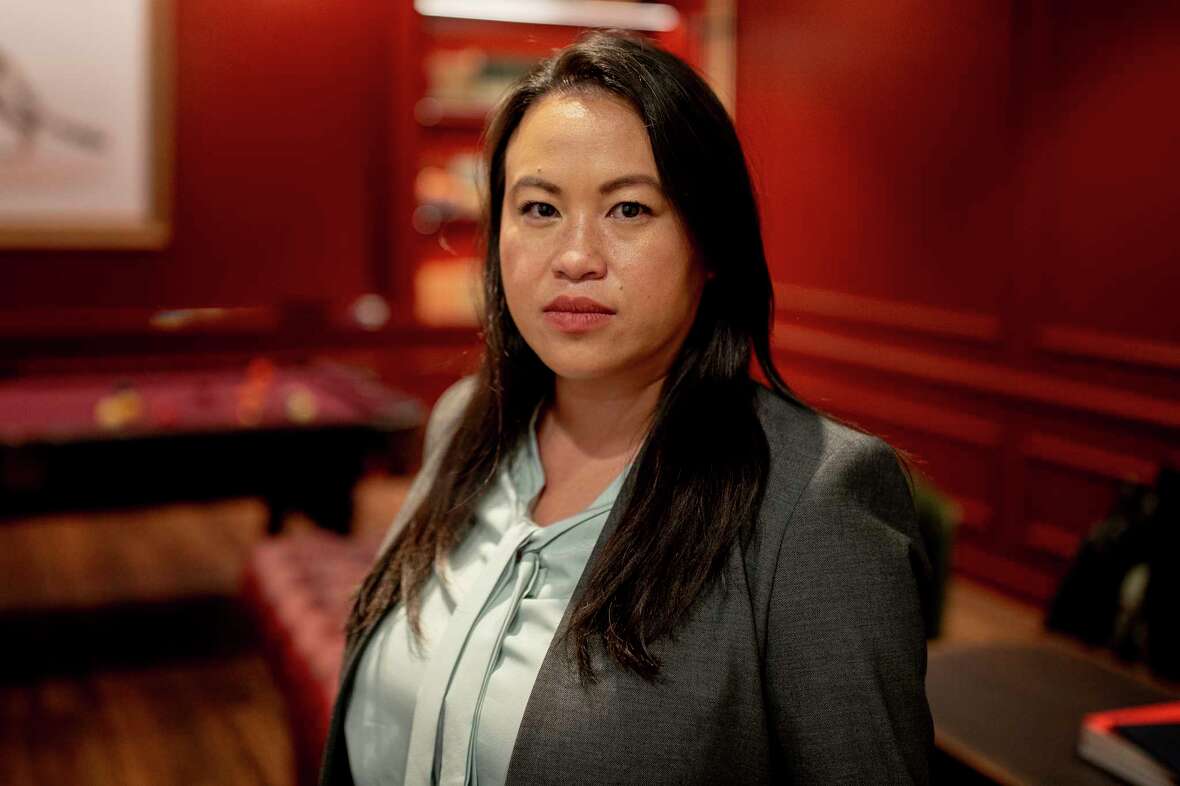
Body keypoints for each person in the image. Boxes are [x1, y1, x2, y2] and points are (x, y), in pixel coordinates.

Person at [320, 31, 933, 786]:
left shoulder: (812, 501)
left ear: (710, 246)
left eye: (630, 209)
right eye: (539, 207)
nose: (576, 255)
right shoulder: (463, 422)